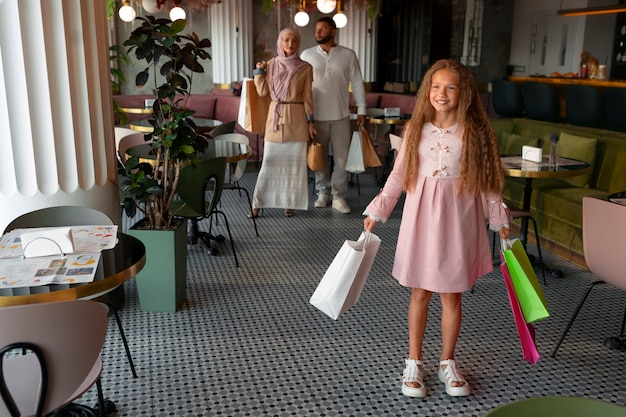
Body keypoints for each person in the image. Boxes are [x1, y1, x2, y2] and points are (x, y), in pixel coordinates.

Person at [362, 59, 510, 398]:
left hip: (459, 219)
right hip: (421, 218)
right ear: (428, 90)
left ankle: (447, 362)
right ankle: (413, 360)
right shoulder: (416, 128)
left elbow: (488, 181)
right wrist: (379, 209)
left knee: (452, 294)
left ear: (464, 93)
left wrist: (498, 218)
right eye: (436, 86)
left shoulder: (473, 133)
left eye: (451, 87)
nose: (442, 93)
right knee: (419, 291)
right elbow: (399, 174)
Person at [300, 16, 367, 214]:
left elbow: (357, 82)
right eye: (317, 29)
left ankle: (339, 196)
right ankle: (323, 192)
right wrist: (305, 116)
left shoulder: (348, 55)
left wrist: (362, 109)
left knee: (341, 158)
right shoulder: (306, 55)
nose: (318, 33)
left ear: (333, 31)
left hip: (341, 116)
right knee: (319, 156)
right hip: (316, 117)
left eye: (322, 29)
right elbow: (300, 87)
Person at [248, 28, 317, 218]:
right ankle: (257, 204)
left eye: (294, 41)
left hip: (297, 120)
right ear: (281, 42)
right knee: (269, 163)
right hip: (275, 120)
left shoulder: (306, 67)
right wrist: (259, 72)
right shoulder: (271, 65)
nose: (290, 44)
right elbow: (262, 92)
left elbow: (308, 97)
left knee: (294, 166)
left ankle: (290, 203)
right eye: (286, 40)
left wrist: (311, 122)